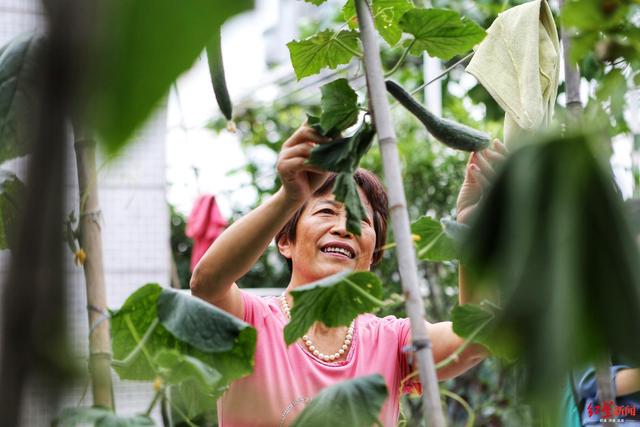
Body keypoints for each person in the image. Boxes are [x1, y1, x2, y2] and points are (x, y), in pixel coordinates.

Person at [190, 123, 507, 426]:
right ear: (286, 241)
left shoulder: (393, 341)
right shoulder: (252, 323)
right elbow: (207, 283)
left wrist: (471, 230)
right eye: (326, 211)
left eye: (360, 220)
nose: (344, 228)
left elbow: (476, 337)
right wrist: (291, 196)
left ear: (374, 254)